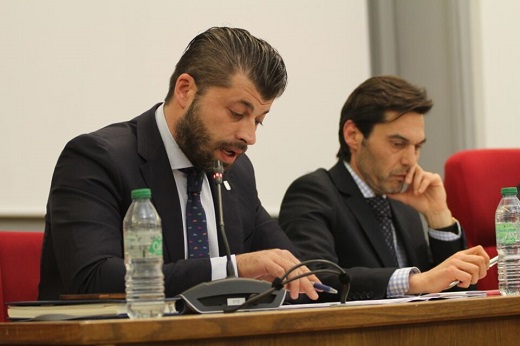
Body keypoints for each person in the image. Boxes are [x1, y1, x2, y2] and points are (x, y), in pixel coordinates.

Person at [38, 27, 320, 301]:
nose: (250, 136)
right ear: (185, 91)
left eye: (258, 120)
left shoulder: (238, 173)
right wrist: (231, 269)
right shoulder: (96, 159)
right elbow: (93, 279)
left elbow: (298, 273)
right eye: (237, 113)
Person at [278, 75, 490, 301]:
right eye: (398, 144)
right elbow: (316, 281)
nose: (411, 160)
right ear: (353, 135)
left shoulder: (404, 206)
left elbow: (451, 296)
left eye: (417, 146)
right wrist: (417, 281)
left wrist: (438, 216)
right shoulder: (314, 193)